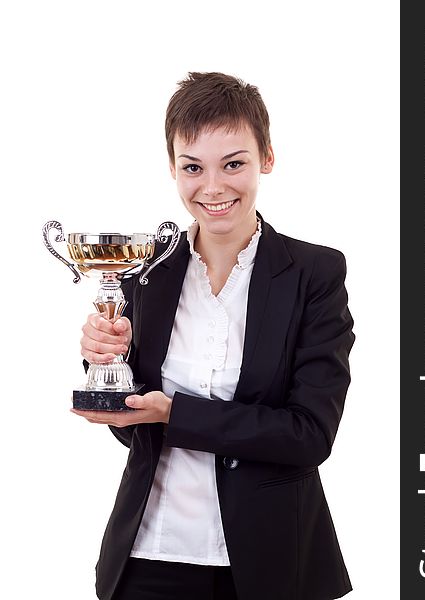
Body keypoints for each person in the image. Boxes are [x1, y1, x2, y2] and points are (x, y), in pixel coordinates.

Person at [72, 71, 355, 600]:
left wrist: (175, 414)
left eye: (234, 163)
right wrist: (102, 366)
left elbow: (309, 434)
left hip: (272, 564)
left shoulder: (314, 274)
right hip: (147, 558)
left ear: (266, 157)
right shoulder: (143, 274)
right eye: (193, 167)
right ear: (173, 168)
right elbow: (133, 431)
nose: (213, 187)